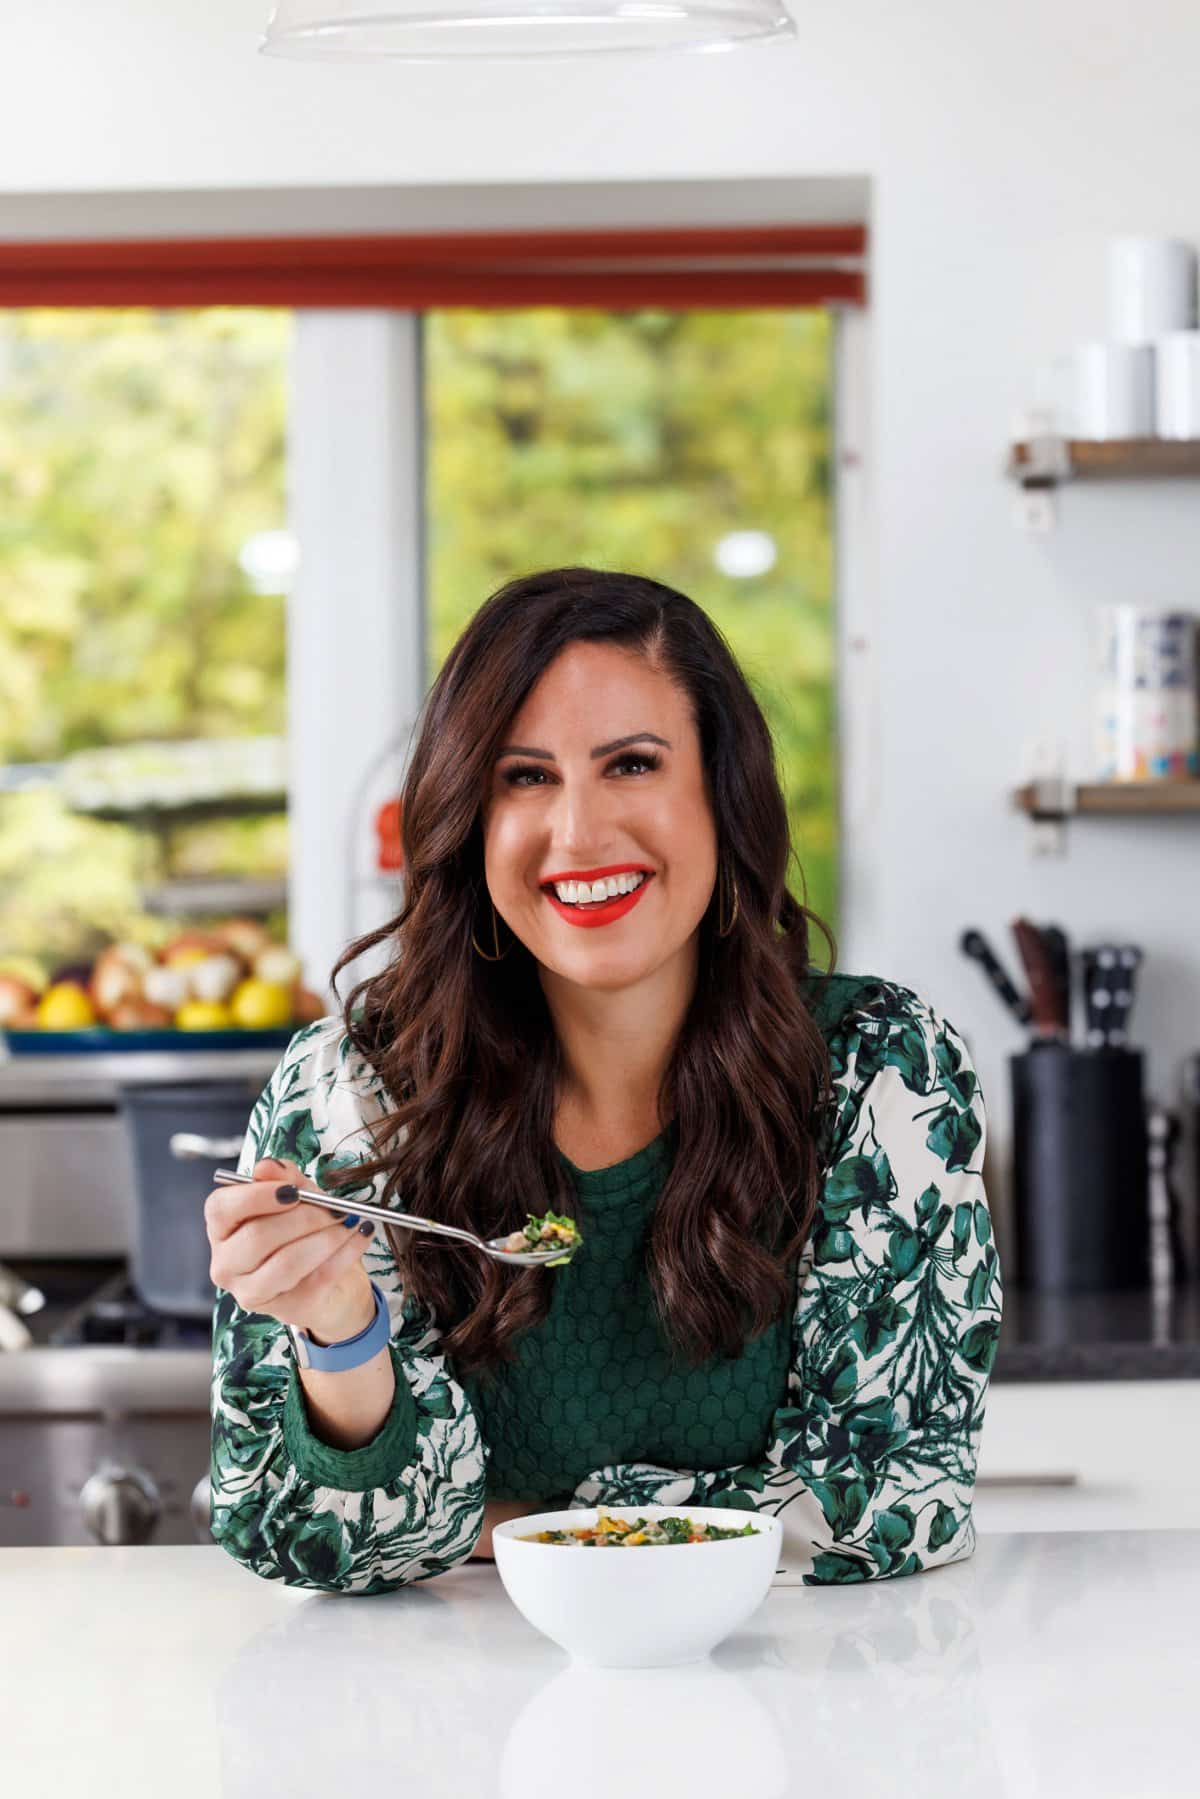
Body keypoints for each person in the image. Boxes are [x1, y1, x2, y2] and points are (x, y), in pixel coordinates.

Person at [205, 567, 1002, 1595]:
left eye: (631, 764)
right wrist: (338, 1329)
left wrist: (515, 1521)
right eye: (525, 775)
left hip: (800, 1702)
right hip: (444, 1724)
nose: (578, 833)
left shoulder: (881, 1072)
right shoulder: (353, 1090)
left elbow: (896, 1497)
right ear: (467, 816)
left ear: (721, 792)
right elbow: (302, 1537)